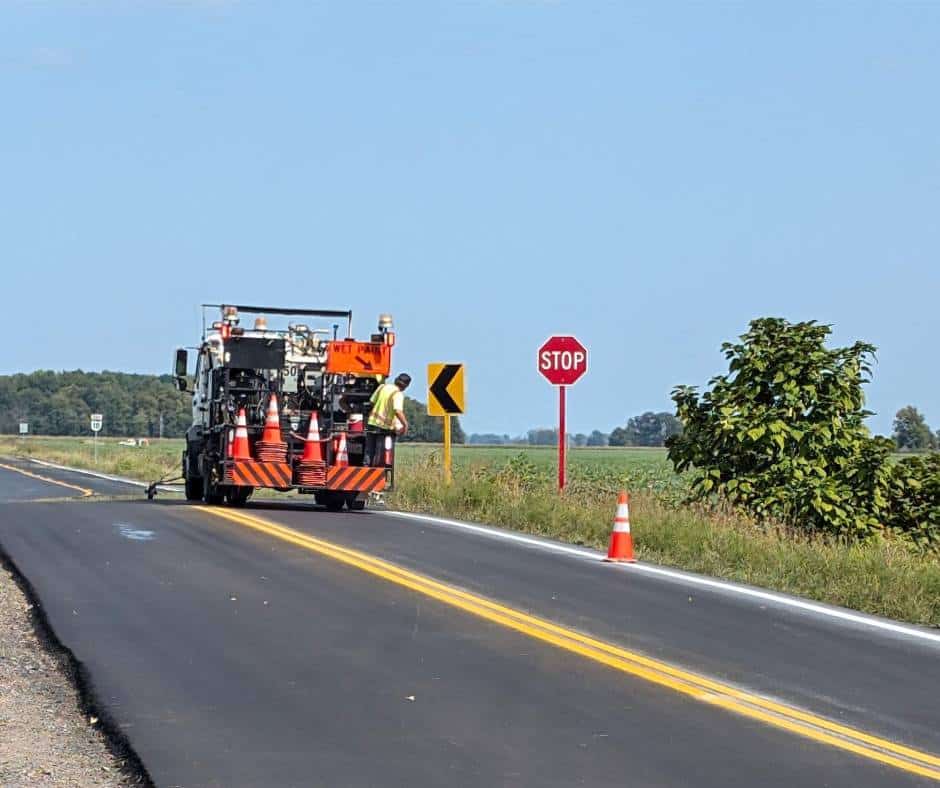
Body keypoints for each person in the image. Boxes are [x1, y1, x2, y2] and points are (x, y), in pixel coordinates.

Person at [365, 373, 410, 466]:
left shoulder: (382, 387)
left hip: (372, 423)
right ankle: (378, 475)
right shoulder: (398, 394)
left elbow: (372, 402)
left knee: (369, 451)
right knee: (381, 454)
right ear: (406, 386)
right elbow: (397, 411)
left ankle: (366, 470)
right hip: (384, 428)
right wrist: (405, 424)